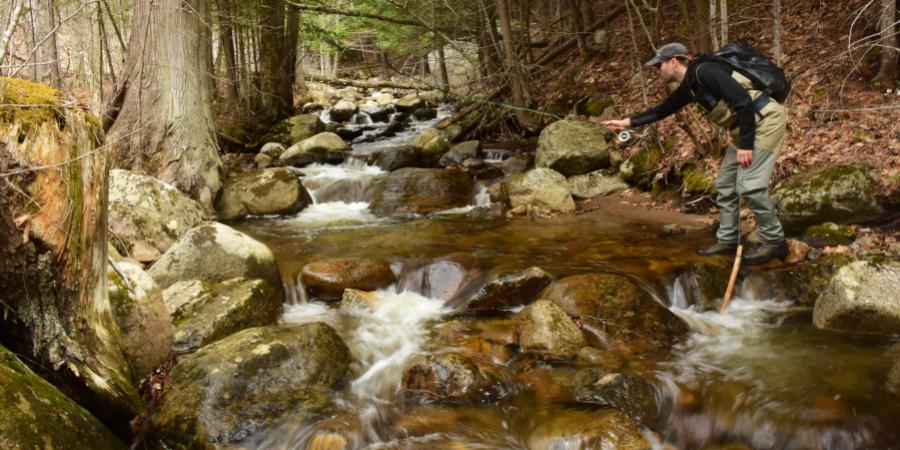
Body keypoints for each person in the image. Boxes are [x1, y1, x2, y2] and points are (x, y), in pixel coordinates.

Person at [602, 42, 789, 266]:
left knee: (750, 186)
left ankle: (774, 240)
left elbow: (743, 101)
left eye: (658, 65)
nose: (657, 71)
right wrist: (627, 123)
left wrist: (746, 145)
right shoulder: (690, 85)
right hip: (746, 128)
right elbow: (662, 110)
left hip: (765, 122)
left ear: (673, 61)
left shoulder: (706, 72)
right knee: (725, 185)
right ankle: (728, 239)